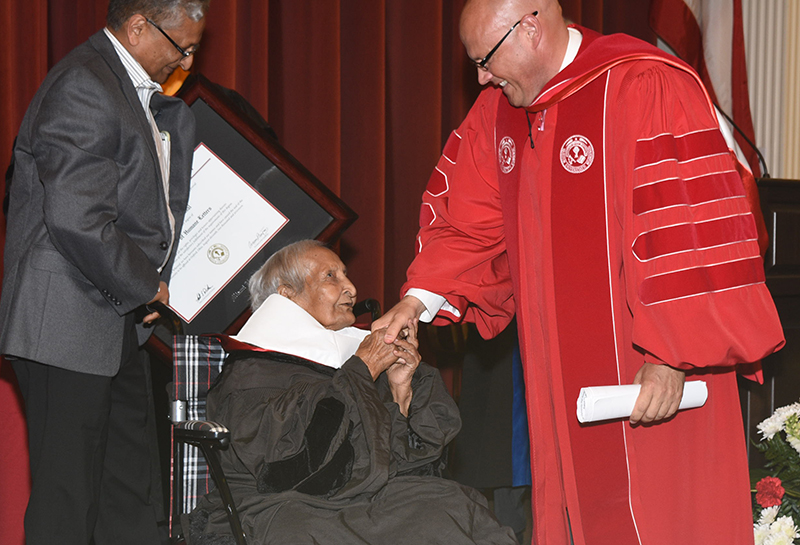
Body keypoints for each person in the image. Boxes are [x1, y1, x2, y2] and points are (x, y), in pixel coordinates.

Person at [372, 1, 785, 544]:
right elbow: (467, 224)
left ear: (530, 27)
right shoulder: (498, 112)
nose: (480, 77)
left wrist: (670, 356)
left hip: (653, 380)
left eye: (486, 59)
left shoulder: (643, 86)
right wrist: (418, 301)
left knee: (665, 521)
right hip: (559, 390)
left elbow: (688, 234)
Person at [0, 1, 209, 543]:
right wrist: (146, 283)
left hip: (117, 319)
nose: (185, 60)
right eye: (180, 46)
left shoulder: (135, 92)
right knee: (68, 499)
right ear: (138, 26)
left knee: (130, 493)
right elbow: (76, 217)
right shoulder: (85, 84)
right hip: (66, 322)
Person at [187, 240, 517, 545]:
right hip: (277, 506)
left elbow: (404, 468)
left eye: (346, 274)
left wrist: (400, 391)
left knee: (452, 506)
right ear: (286, 295)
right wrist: (363, 369)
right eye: (330, 276)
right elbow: (288, 471)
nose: (351, 289)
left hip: (358, 498)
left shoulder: (353, 357)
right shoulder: (251, 372)